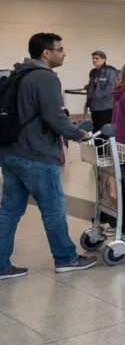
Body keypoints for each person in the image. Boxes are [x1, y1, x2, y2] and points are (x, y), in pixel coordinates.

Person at [0, 33, 98, 280]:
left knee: (10, 210)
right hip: (37, 155)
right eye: (60, 49)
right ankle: (66, 259)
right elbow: (54, 117)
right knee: (53, 208)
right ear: (47, 53)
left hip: (11, 151)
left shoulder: (17, 74)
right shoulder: (44, 77)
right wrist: (78, 133)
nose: (64, 53)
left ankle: (1, 264)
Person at [85, 51, 118, 132]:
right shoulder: (93, 72)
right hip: (95, 106)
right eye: (93, 58)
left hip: (106, 106)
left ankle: (105, 144)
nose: (94, 60)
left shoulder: (110, 71)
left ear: (103, 59)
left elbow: (111, 87)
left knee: (104, 129)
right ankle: (97, 144)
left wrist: (96, 95)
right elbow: (92, 86)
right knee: (96, 128)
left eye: (97, 58)